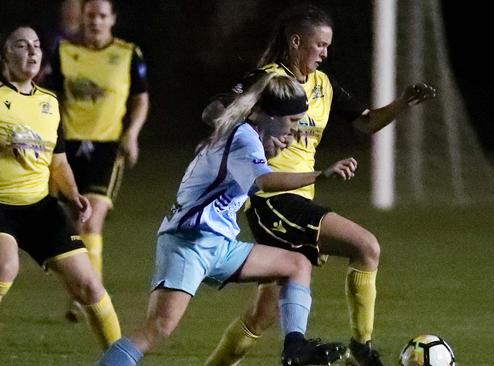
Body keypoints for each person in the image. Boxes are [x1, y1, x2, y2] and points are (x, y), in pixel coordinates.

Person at [203, 5, 435, 366]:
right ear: (296, 42)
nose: (325, 53)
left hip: (298, 198)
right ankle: (361, 347)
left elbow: (366, 122)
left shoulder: (323, 85)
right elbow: (214, 110)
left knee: (261, 316)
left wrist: (402, 103)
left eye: (327, 46)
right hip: (271, 200)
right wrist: (245, 134)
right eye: (320, 45)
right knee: (366, 246)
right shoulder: (268, 80)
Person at [97, 73, 357, 366]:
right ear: (270, 115)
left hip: (218, 244)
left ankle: (295, 347)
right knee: (158, 329)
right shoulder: (243, 137)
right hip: (189, 243)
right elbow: (265, 182)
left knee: (296, 264)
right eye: (293, 122)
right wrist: (321, 174)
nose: (295, 132)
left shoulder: (249, 135)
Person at [0, 23, 121, 350]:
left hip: (40, 209)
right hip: (1, 208)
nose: (32, 51)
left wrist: (73, 194)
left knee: (90, 286)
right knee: (5, 266)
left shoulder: (50, 103)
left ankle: (120, 359)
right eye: (21, 45)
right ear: (5, 55)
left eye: (36, 45)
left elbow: (59, 162)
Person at [46, 0, 150, 321]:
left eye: (102, 16)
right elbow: (49, 98)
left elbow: (140, 99)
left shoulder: (128, 54)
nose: (95, 21)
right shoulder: (63, 53)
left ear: (113, 19)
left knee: (90, 220)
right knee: (71, 226)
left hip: (107, 148)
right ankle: (82, 289)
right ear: (83, 18)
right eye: (90, 15)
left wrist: (131, 134)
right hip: (67, 148)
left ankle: (89, 297)